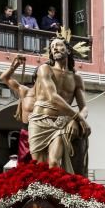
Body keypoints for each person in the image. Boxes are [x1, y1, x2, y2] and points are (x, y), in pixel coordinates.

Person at [29, 35, 90, 175]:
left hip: (61, 123)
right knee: (39, 167)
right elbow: (53, 97)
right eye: (52, 47)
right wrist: (79, 118)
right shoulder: (45, 69)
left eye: (59, 45)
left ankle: (58, 196)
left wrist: (75, 120)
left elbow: (84, 107)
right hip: (40, 120)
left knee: (54, 163)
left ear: (68, 50)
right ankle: (43, 197)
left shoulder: (76, 77)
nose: (55, 48)